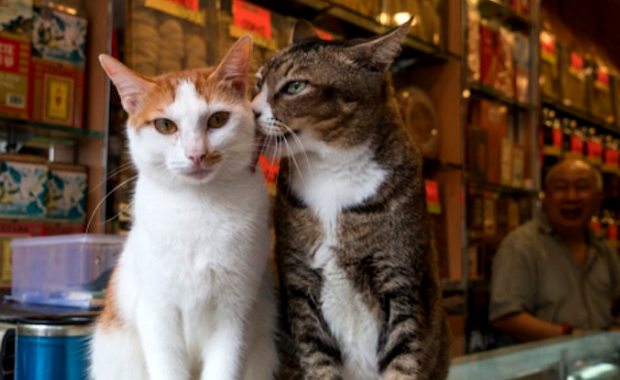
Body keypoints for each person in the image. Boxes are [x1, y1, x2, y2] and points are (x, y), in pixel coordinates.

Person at [489, 158, 620, 342]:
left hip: (597, 366)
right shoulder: (521, 245)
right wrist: (570, 337)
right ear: (545, 197)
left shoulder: (604, 250)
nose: (571, 197)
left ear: (598, 199)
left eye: (581, 187)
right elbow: (504, 316)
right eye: (560, 187)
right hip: (543, 368)